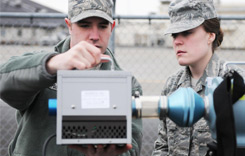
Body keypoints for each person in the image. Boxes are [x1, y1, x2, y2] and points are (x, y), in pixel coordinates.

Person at [0, 0, 143, 156]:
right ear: (69, 26)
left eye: (102, 26)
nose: (94, 36)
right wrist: (52, 65)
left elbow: (132, 148)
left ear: (112, 28)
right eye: (84, 25)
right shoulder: (42, 67)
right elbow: (4, 81)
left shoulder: (127, 84)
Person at [152, 0, 245, 156]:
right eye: (174, 34)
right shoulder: (172, 85)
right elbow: (162, 147)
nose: (177, 41)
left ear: (210, 35)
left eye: (187, 32)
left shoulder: (234, 84)